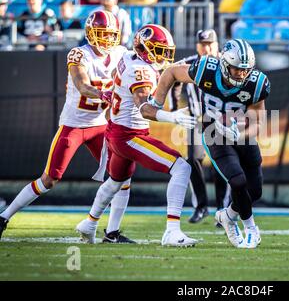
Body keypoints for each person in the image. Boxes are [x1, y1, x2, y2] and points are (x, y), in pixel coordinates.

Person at [0, 11, 133, 242]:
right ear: (90, 34)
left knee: (121, 176)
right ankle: (3, 217)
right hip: (74, 125)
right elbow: (82, 84)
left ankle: (112, 232)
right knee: (49, 179)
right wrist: (103, 93)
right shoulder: (79, 54)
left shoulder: (121, 53)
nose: (107, 40)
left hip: (102, 125)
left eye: (111, 35)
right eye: (102, 35)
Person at [76, 24, 198, 247]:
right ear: (144, 48)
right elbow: (144, 109)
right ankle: (172, 231)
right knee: (182, 167)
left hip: (115, 129)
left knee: (116, 181)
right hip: (129, 134)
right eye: (159, 50)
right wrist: (172, 118)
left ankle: (90, 223)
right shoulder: (141, 70)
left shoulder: (128, 59)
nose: (164, 56)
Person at [146, 39, 271, 249]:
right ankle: (250, 228)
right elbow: (171, 72)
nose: (241, 74)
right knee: (238, 182)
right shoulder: (206, 70)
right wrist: (157, 103)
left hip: (243, 135)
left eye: (245, 70)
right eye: (236, 69)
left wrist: (239, 135)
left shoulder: (256, 83)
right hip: (214, 133)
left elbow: (260, 122)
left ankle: (228, 216)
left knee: (255, 192)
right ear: (224, 64)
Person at [169, 29, 231, 225]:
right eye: (203, 44)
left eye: (210, 44)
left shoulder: (226, 63)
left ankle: (223, 209)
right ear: (197, 45)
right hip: (197, 119)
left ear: (217, 45)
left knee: (220, 165)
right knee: (193, 160)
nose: (207, 48)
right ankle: (201, 206)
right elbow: (172, 77)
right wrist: (173, 107)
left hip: (221, 120)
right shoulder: (190, 63)